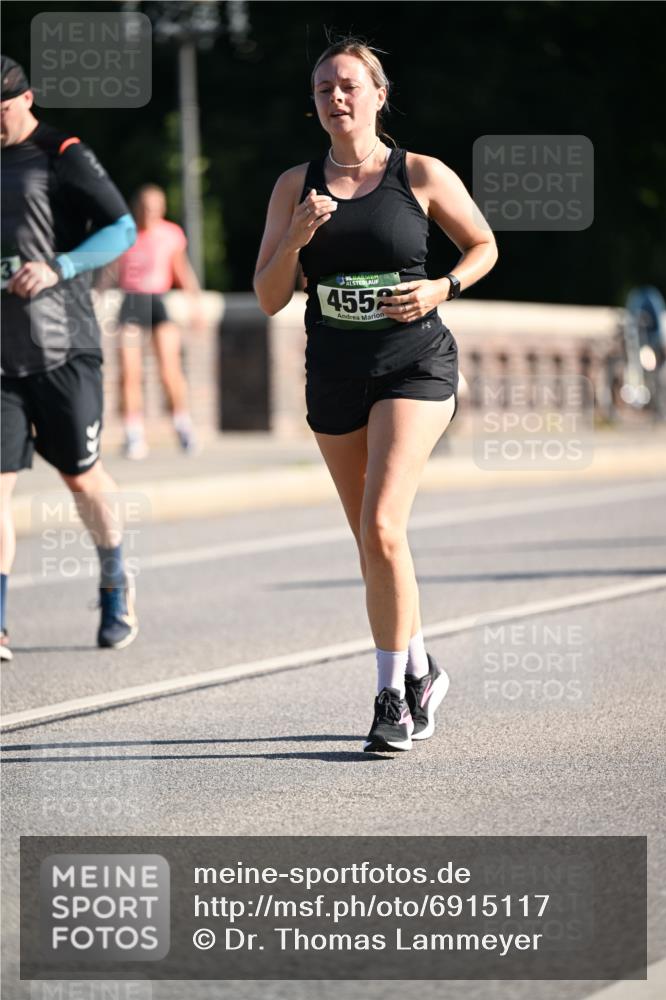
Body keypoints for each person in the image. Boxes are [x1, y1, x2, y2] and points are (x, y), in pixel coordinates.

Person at [254, 37, 498, 752]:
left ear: (378, 95)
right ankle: (422, 670)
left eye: (349, 85)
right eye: (324, 87)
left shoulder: (417, 172)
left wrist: (440, 286)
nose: (336, 96)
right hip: (333, 370)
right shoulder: (292, 185)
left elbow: (482, 245)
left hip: (413, 365)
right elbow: (269, 298)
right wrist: (295, 238)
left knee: (384, 525)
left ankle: (390, 695)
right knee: (371, 541)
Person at [0, 55, 139, 660]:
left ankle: (114, 581)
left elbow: (123, 229)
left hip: (64, 347)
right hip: (1, 355)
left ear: (26, 99)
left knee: (80, 477)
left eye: (0, 111)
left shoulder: (64, 154)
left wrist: (59, 267)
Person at [112, 184, 203, 459]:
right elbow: (109, 272)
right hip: (130, 302)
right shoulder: (125, 233)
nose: (149, 212)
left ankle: (182, 424)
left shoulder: (170, 234)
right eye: (144, 207)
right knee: (129, 372)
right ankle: (133, 432)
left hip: (157, 301)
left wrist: (194, 304)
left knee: (169, 369)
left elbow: (181, 270)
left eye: (154, 207)